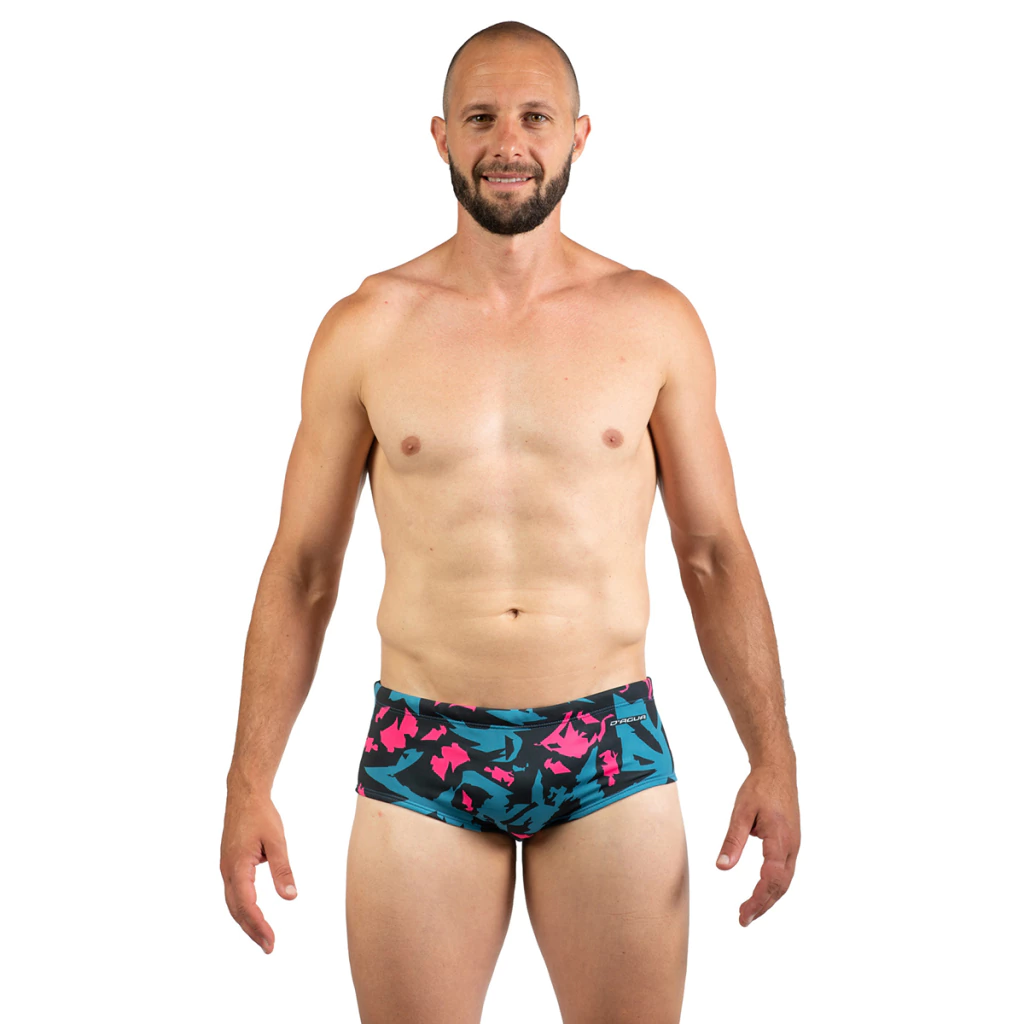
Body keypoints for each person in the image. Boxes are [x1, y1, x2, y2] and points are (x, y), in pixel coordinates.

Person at [220, 19, 800, 1022]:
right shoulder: (366, 327)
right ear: (440, 135)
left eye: (535, 116)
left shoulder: (653, 320)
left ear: (579, 134)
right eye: (482, 116)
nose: (508, 142)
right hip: (423, 746)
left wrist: (773, 755)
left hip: (606, 745)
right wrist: (247, 782)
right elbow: (303, 568)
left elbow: (712, 553)